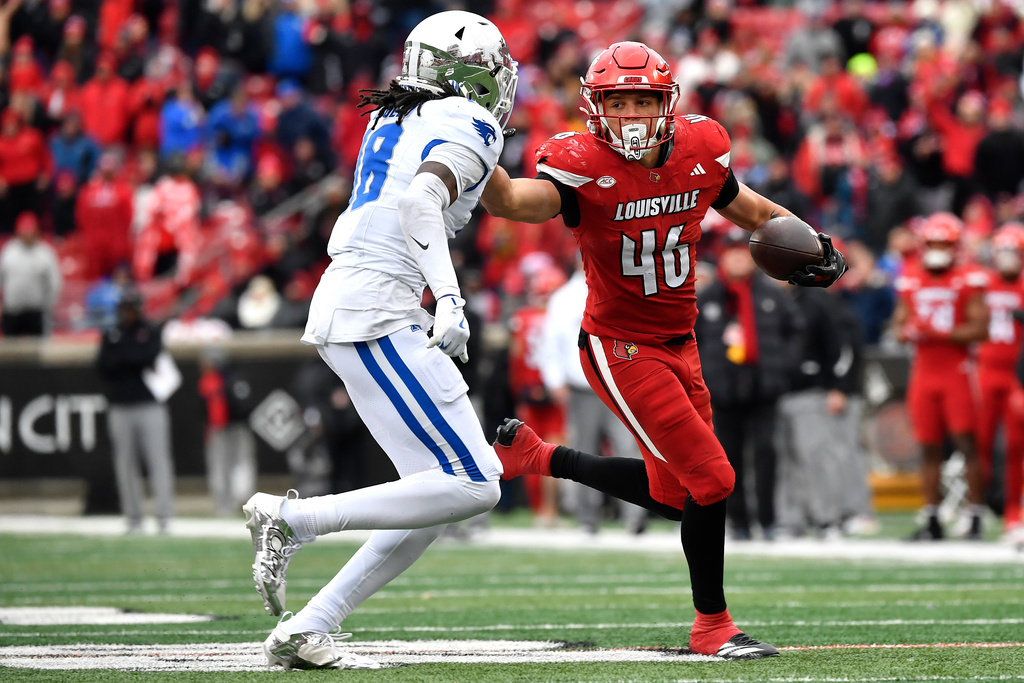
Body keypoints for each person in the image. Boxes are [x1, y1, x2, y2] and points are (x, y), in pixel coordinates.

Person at [481, 41, 846, 659]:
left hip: (683, 341)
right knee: (714, 478)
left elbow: (753, 210)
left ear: (667, 104)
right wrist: (475, 140)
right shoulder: (579, 164)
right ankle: (713, 627)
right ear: (595, 108)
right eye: (617, 102)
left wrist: (812, 245)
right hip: (619, 346)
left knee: (679, 494)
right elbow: (513, 201)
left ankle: (538, 457)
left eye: (642, 101)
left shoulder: (701, 150)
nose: (629, 115)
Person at [242, 10, 518, 670]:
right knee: (478, 483)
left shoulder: (395, 113)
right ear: (462, 73)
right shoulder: (468, 121)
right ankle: (298, 519)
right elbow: (421, 203)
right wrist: (450, 298)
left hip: (358, 297)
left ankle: (309, 625)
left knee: (437, 492)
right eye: (489, 70)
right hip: (378, 305)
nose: (499, 84)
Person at [694, 228, 804, 541]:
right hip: (724, 391)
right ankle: (739, 521)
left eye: (744, 253)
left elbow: (796, 330)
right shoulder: (708, 298)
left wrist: (783, 366)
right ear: (723, 258)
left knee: (767, 454)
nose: (739, 259)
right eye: (733, 253)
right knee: (729, 459)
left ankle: (768, 520)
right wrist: (705, 377)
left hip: (763, 387)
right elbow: (688, 341)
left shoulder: (771, 295)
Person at [892, 212, 989, 540]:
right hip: (925, 371)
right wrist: (906, 331)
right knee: (927, 447)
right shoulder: (911, 277)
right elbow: (899, 324)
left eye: (943, 244)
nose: (937, 249)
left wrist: (939, 331)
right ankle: (932, 517)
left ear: (955, 246)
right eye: (932, 243)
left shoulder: (968, 278)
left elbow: (981, 328)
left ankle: (975, 514)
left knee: (966, 444)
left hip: (956, 371)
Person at [537, 256, 649, 535]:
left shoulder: (618, 288)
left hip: (617, 385)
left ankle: (635, 516)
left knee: (627, 448)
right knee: (585, 452)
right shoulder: (564, 297)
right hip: (582, 386)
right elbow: (551, 341)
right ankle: (587, 516)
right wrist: (555, 380)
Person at [94, 288, 176, 534]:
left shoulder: (149, 331)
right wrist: (129, 358)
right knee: (125, 463)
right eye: (124, 309)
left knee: (158, 461)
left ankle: (163, 517)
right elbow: (102, 366)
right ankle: (133, 518)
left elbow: (148, 355)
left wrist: (123, 357)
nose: (127, 314)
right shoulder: (111, 333)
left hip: (149, 405)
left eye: (131, 309)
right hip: (120, 406)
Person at [977, 224, 1024, 538]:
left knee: (1015, 447)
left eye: (1013, 252)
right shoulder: (981, 283)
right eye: (1003, 251)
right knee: (978, 443)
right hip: (985, 369)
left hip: (1016, 375)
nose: (1008, 258)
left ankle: (1013, 511)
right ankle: (977, 509)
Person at [197, 346, 257, 517]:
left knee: (227, 464)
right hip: (226, 428)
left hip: (229, 428)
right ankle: (234, 502)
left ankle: (233, 502)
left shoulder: (216, 379)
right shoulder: (232, 377)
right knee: (231, 464)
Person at [0, 212, 62, 337]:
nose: (27, 236)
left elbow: (55, 282)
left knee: (37, 352)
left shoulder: (45, 253)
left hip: (36, 311)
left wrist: (47, 305)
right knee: (10, 352)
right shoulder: (8, 252)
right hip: (13, 310)